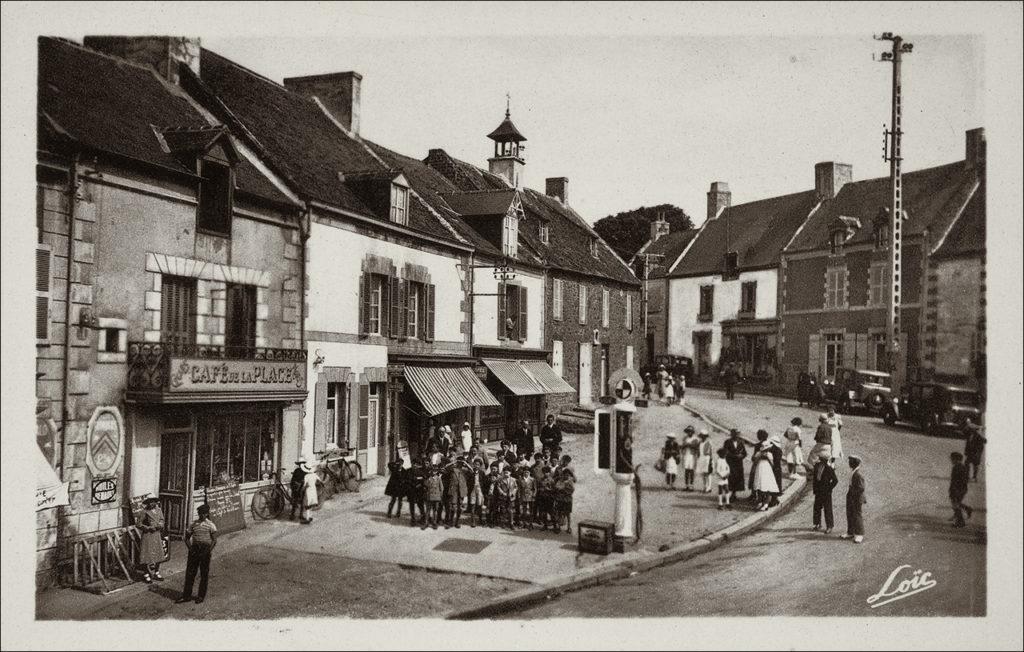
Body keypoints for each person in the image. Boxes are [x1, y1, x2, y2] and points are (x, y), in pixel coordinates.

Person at [175, 503, 217, 604]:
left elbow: (214, 540)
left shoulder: (211, 525)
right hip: (194, 550)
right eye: (199, 513)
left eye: (203, 513)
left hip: (205, 550)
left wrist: (208, 551)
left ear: (207, 514)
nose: (201, 515)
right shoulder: (194, 524)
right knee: (190, 574)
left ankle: (200, 596)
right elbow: (186, 538)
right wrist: (191, 549)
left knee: (204, 574)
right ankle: (186, 596)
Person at [138, 494, 165, 583]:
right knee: (146, 554)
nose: (151, 503)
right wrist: (148, 528)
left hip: (156, 534)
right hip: (148, 535)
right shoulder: (144, 512)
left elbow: (162, 519)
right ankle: (146, 574)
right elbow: (138, 524)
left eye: (153, 501)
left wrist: (161, 524)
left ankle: (156, 572)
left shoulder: (159, 510)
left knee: (159, 553)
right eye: (149, 502)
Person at [811, 453, 839, 533]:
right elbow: (815, 479)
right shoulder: (816, 467)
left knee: (827, 509)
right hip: (818, 492)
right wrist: (815, 490)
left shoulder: (829, 469)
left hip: (826, 493)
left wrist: (829, 489)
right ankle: (817, 524)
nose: (820, 460)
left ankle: (829, 526)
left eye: (822, 459)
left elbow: (835, 481)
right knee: (817, 508)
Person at [751, 432, 779, 511]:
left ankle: (766, 504)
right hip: (760, 470)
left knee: (768, 487)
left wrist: (767, 458)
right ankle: (760, 502)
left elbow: (772, 464)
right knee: (760, 486)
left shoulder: (769, 455)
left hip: (767, 471)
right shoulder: (759, 453)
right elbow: (754, 461)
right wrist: (759, 457)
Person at [841, 455, 866, 543]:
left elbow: (861, 488)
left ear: (855, 463)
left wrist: (853, 494)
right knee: (850, 513)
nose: (849, 463)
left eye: (850, 462)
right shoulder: (853, 472)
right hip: (851, 496)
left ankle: (859, 534)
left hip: (856, 497)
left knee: (857, 515)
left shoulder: (858, 474)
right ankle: (850, 532)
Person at [444, 456, 470, 528]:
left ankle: (457, 521)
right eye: (459, 462)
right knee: (453, 506)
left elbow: (472, 471)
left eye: (461, 462)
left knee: (460, 507)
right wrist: (454, 462)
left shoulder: (465, 470)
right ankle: (451, 521)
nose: (460, 463)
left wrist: (466, 463)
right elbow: (445, 467)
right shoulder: (453, 469)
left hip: (461, 490)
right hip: (453, 490)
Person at [949, 452, 973, 528]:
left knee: (955, 505)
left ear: (956, 459)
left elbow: (955, 481)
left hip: (957, 489)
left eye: (952, 459)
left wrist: (953, 490)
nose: (951, 460)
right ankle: (967, 509)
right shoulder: (962, 467)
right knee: (956, 503)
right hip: (962, 489)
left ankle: (960, 522)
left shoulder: (956, 467)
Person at [723, 429, 748, 502]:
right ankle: (729, 494)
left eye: (738, 434)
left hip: (738, 464)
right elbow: (725, 452)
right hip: (730, 463)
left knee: (737, 478)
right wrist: (734, 456)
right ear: (732, 434)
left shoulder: (741, 442)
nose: (737, 436)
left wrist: (741, 456)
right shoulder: (727, 442)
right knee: (730, 478)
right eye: (735, 434)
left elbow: (745, 453)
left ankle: (734, 494)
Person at [553, 459, 576, 534]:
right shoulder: (560, 480)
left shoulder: (570, 481)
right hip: (560, 499)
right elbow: (557, 487)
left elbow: (571, 490)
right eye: (565, 474)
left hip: (567, 499)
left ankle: (569, 527)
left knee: (568, 513)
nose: (566, 475)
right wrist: (563, 488)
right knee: (559, 512)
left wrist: (562, 489)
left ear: (569, 475)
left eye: (568, 475)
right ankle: (558, 527)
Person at [466, 458, 489, 527]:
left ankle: (481, 519)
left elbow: (485, 483)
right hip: (472, 490)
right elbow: (468, 482)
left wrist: (484, 492)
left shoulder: (482, 473)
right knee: (472, 505)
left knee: (480, 505)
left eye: (478, 465)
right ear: (473, 465)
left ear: (480, 466)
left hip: (480, 490)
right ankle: (473, 521)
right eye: (475, 464)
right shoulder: (470, 472)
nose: (476, 466)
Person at [407, 458, 427, 527]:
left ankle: (423, 518)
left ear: (418, 465)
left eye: (416, 464)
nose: (414, 465)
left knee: (420, 504)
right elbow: (407, 480)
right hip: (411, 491)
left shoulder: (421, 472)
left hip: (419, 491)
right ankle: (413, 519)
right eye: (413, 463)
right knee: (411, 505)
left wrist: (420, 484)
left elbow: (424, 480)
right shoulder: (409, 471)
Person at [681, 426, 700, 491]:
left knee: (691, 471)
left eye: (690, 431)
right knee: (686, 471)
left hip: (692, 456)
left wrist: (690, 445)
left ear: (692, 432)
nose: (689, 433)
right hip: (686, 455)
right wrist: (685, 445)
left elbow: (697, 447)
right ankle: (687, 485)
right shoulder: (685, 438)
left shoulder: (695, 439)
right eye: (688, 431)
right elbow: (682, 446)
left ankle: (691, 485)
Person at [537, 466, 555, 530]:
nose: (545, 474)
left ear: (549, 473)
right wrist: (541, 490)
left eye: (547, 472)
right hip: (542, 498)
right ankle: (545, 525)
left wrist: (548, 489)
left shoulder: (552, 480)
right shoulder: (541, 480)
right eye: (544, 472)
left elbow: (554, 490)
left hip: (549, 498)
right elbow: (538, 488)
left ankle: (555, 526)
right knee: (544, 512)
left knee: (551, 512)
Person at [301, 459, 319, 524]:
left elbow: (305, 485)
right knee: (311, 504)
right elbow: (319, 481)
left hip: (308, 490)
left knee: (307, 505)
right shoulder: (315, 475)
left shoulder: (306, 476)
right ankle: (310, 516)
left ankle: (307, 518)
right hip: (313, 490)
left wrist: (302, 490)